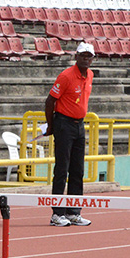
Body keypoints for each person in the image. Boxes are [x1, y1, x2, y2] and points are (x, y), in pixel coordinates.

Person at [45, 41, 95, 227]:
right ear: (76, 56)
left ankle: (73, 212)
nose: (86, 59)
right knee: (62, 169)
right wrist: (51, 126)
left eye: (89, 56)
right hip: (64, 124)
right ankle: (57, 213)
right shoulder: (66, 76)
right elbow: (50, 101)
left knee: (77, 170)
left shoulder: (90, 75)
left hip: (79, 125)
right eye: (83, 55)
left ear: (92, 59)